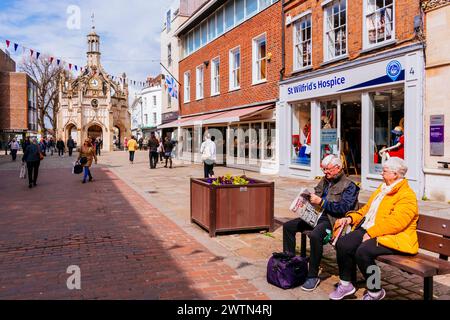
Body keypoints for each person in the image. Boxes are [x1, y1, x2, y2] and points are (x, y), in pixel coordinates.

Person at [329, 157, 418, 301]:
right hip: (372, 230)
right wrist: (351, 218)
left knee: (363, 252)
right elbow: (367, 210)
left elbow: (397, 222)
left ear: (395, 174)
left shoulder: (406, 195)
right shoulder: (382, 189)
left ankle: (375, 291)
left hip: (395, 237)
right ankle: (346, 284)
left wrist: (371, 233)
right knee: (343, 244)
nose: (381, 174)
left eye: (385, 171)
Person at [282, 154, 360, 292]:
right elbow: (316, 195)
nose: (325, 172)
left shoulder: (349, 186)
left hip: (332, 221)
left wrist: (322, 202)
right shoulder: (325, 180)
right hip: (315, 216)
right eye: (324, 169)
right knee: (288, 226)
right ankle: (289, 263)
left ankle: (312, 276)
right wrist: (305, 202)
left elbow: (344, 209)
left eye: (328, 169)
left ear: (338, 167)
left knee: (315, 236)